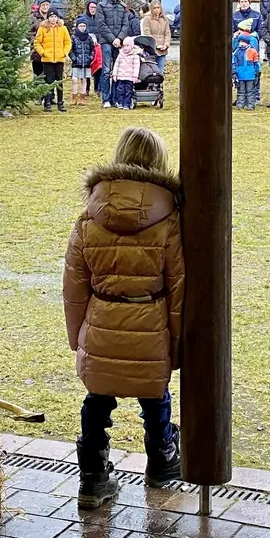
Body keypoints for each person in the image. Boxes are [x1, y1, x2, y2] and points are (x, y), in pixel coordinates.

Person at [64, 127, 184, 508]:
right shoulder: (170, 218)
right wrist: (178, 343)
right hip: (151, 320)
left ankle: (92, 477)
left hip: (102, 318)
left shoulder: (89, 216)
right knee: (155, 393)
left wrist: (77, 337)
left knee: (97, 398)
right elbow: (180, 285)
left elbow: (74, 285)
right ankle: (163, 459)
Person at [34, 13, 71, 113]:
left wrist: (64, 52)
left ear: (57, 18)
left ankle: (60, 102)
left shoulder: (63, 28)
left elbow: (68, 42)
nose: (53, 19)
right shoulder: (42, 28)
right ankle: (47, 102)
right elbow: (37, 42)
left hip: (59, 59)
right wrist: (43, 53)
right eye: (51, 17)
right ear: (48, 18)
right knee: (48, 81)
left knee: (59, 81)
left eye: (55, 17)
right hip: (47, 59)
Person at [68, 15, 98, 108]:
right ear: (77, 27)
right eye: (80, 26)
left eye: (84, 26)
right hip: (76, 62)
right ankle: (74, 95)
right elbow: (70, 49)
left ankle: (83, 96)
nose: (82, 28)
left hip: (86, 62)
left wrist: (91, 57)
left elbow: (93, 49)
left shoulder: (89, 38)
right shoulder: (73, 37)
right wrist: (73, 58)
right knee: (74, 79)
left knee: (84, 79)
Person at [140, 0, 172, 76]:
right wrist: (156, 45)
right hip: (151, 49)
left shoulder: (164, 19)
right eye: (155, 8)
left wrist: (166, 44)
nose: (157, 9)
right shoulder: (147, 19)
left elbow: (167, 33)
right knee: (151, 72)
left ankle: (159, 87)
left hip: (163, 49)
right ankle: (150, 87)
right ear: (151, 9)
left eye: (158, 7)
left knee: (160, 71)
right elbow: (147, 33)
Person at [111, 36, 141, 111]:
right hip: (121, 77)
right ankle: (120, 103)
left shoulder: (135, 56)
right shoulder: (120, 55)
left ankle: (126, 104)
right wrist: (114, 74)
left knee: (128, 91)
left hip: (129, 77)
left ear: (131, 46)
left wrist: (135, 76)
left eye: (127, 46)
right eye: (124, 46)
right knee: (120, 90)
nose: (125, 48)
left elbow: (136, 67)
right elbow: (116, 65)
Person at [232, 28, 259, 110]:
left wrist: (257, 73)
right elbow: (234, 63)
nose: (241, 43)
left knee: (250, 91)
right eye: (240, 41)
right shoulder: (237, 52)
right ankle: (240, 105)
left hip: (250, 75)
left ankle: (251, 105)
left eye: (243, 41)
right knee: (241, 91)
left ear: (247, 42)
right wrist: (234, 73)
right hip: (240, 75)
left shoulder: (253, 51)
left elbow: (256, 63)